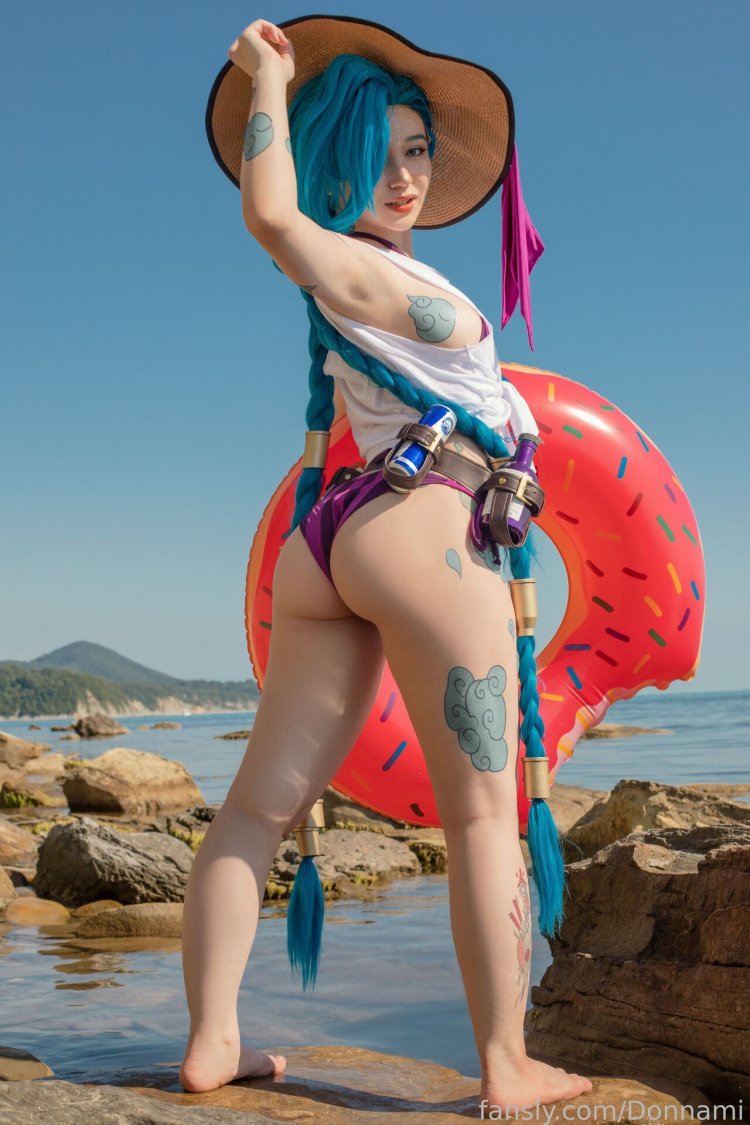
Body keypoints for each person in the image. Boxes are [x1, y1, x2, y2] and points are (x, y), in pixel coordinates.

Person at [180, 15, 593, 1113]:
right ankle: (507, 1065)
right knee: (483, 817)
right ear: (333, 163)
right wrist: (269, 83)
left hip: (332, 543)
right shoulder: (361, 271)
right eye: (380, 154)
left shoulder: (361, 283)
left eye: (418, 151)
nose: (406, 177)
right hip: (425, 533)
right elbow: (272, 216)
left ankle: (213, 1039)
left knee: (257, 810)